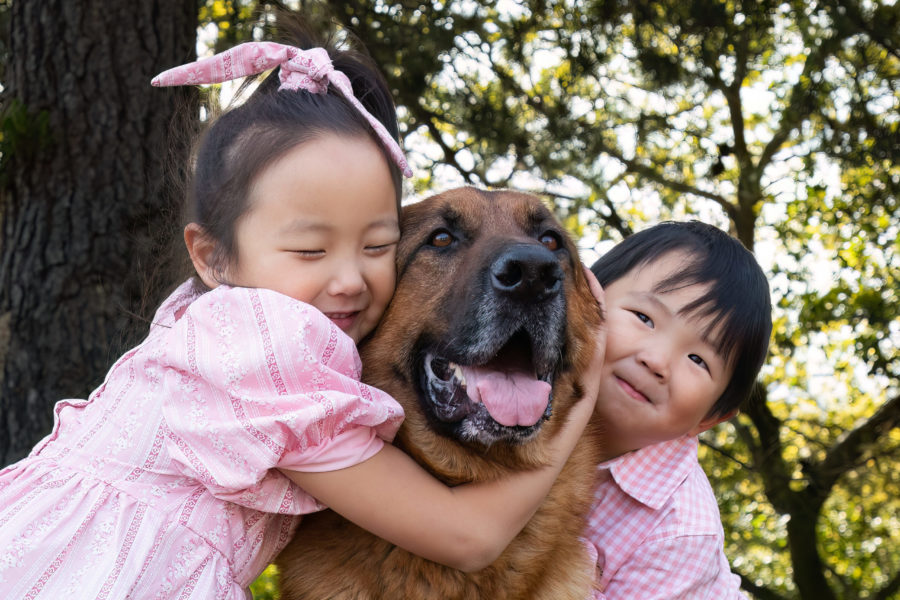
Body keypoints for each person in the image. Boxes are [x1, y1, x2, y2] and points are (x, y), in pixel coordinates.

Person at [0, 33, 606, 599]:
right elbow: (467, 537)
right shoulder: (262, 358)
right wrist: (585, 395)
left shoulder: (211, 326)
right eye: (440, 242)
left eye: (375, 247)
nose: (347, 278)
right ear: (214, 260)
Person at [582, 220, 772, 599]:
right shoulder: (510, 388)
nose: (657, 361)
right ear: (586, 297)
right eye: (644, 318)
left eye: (698, 360)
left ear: (709, 418)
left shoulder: (680, 529)